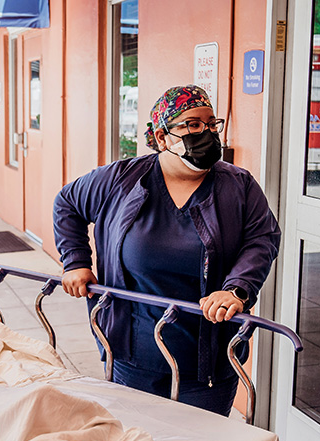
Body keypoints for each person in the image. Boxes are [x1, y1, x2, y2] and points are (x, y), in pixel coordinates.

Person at [53, 84, 281, 416]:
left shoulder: (238, 186)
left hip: (207, 367)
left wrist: (237, 289)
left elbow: (262, 238)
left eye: (210, 123)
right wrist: (75, 261)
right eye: (191, 124)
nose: (205, 133)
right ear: (162, 138)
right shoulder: (121, 180)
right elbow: (67, 203)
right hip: (131, 356)